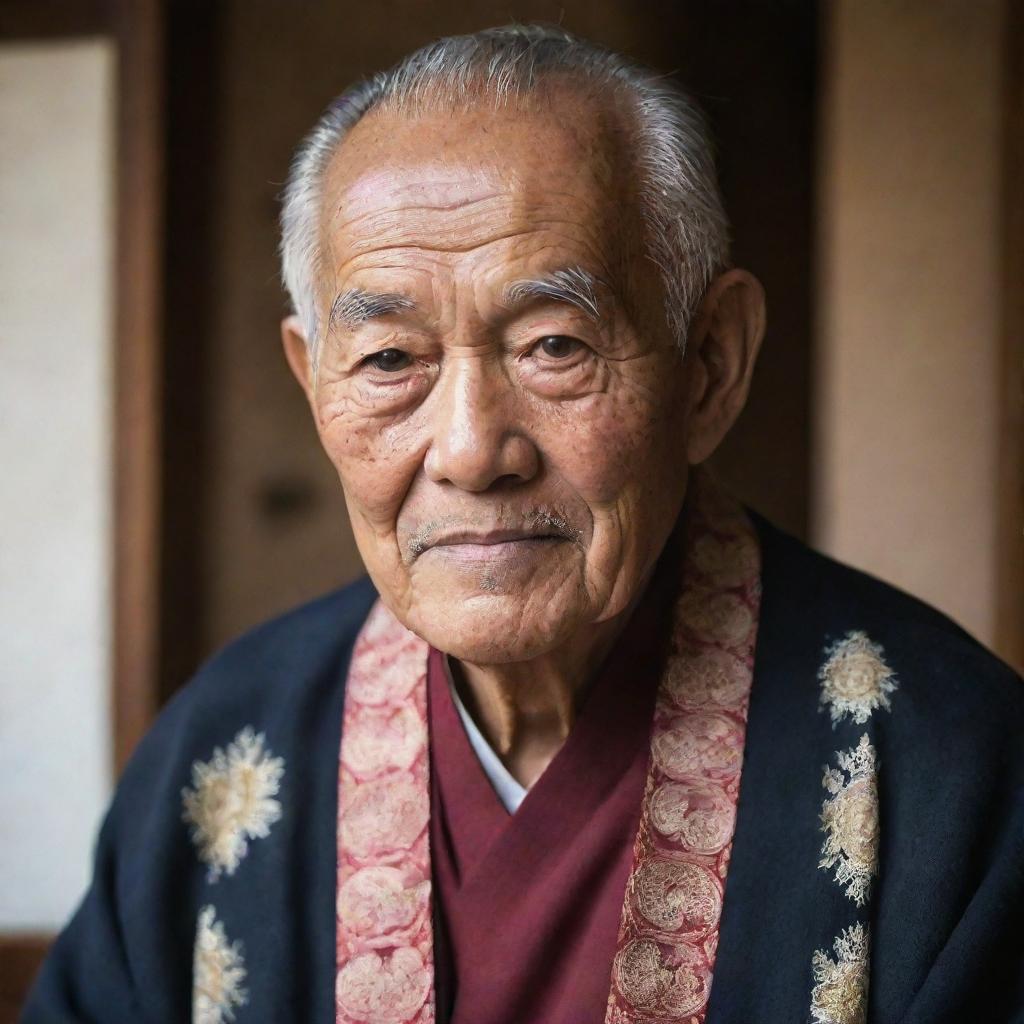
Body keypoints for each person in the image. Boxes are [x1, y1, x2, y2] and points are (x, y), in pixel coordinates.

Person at [23, 24, 1023, 1024]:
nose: (468, 449)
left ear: (710, 363)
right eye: (388, 362)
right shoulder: (227, 748)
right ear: (311, 380)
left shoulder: (949, 768)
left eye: (553, 345)